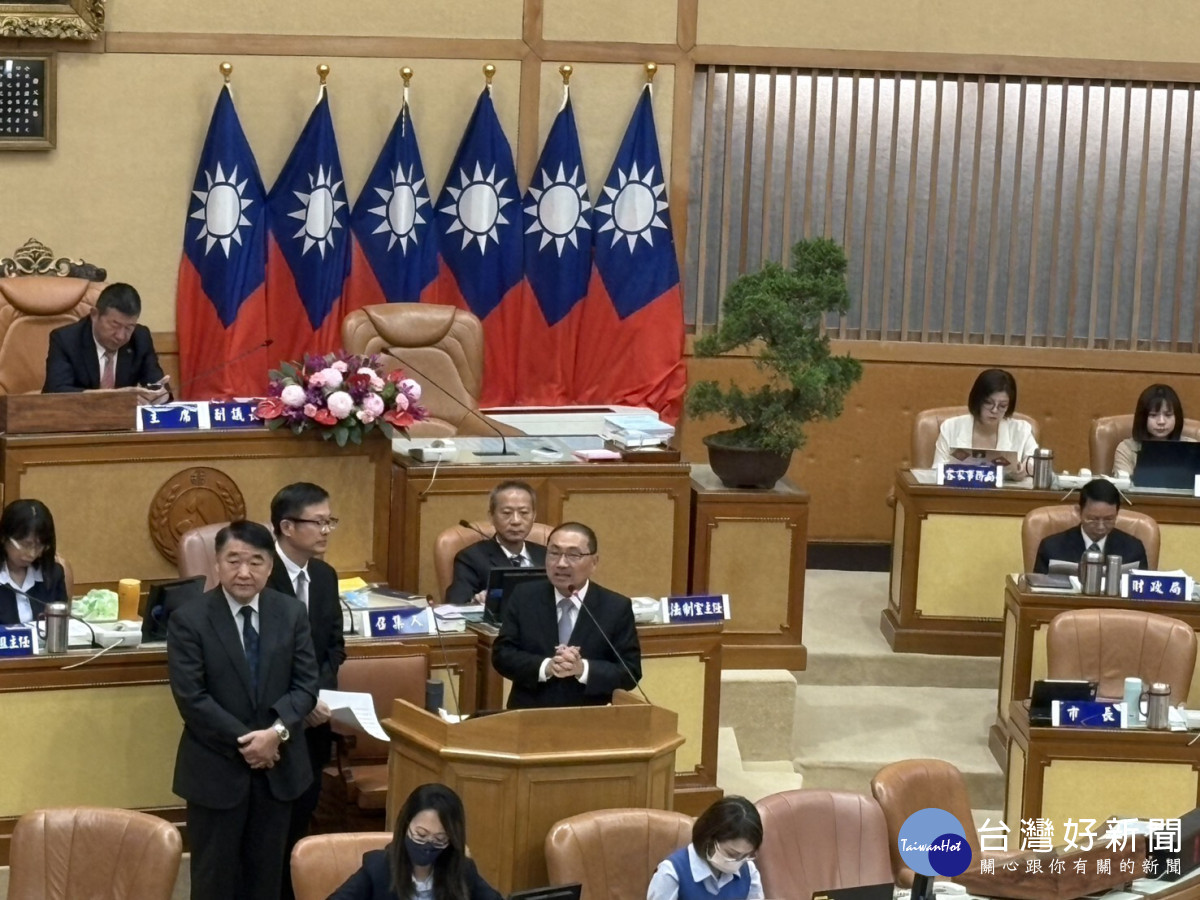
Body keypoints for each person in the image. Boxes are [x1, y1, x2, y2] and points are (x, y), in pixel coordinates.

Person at [167, 520, 318, 900]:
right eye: (233, 561)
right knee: (213, 881)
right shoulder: (189, 619)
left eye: (255, 561)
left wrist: (275, 735)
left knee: (267, 880)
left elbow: (306, 686)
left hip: (279, 770)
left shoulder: (291, 613)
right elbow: (192, 698)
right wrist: (252, 743)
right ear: (217, 564)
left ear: (270, 566)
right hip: (215, 769)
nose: (244, 572)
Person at [267, 483, 346, 900]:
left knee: (304, 812)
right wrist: (303, 700)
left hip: (315, 722)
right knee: (272, 829)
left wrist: (318, 694)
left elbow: (335, 646)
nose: (326, 530)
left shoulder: (325, 576)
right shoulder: (262, 576)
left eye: (330, 521)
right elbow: (265, 657)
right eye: (318, 522)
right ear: (287, 527)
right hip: (274, 719)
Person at [491, 522, 641, 709]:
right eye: (554, 553)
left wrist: (582, 668)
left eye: (573, 555)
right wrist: (546, 666)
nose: (561, 563)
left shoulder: (615, 607)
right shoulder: (524, 596)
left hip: (589, 716)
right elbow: (502, 655)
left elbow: (630, 672)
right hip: (529, 714)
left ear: (594, 562)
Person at [328, 782, 503, 900]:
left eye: (440, 839)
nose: (428, 845)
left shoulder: (463, 870)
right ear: (406, 825)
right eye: (421, 835)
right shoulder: (378, 868)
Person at [42, 282, 170, 399]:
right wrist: (117, 397)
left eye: (129, 327)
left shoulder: (140, 338)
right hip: (76, 415)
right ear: (94, 315)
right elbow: (56, 392)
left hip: (124, 417)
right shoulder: (66, 339)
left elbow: (157, 386)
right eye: (114, 325)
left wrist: (160, 397)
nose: (121, 336)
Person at [445, 480, 547, 604]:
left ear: (534, 516)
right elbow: (457, 603)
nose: (516, 521)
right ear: (491, 517)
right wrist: (475, 602)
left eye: (524, 513)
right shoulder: (471, 558)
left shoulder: (546, 555)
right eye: (507, 513)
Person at [647, 795, 765, 900]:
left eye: (746, 855)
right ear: (709, 838)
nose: (738, 862)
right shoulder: (672, 873)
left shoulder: (748, 871)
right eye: (731, 854)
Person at [932, 368, 1038, 476]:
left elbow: (1036, 462)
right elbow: (936, 471)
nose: (994, 410)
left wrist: (1025, 469)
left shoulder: (1021, 430)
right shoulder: (951, 427)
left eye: (1002, 406)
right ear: (977, 400)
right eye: (988, 402)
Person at [1033, 478, 1149, 575]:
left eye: (1108, 519)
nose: (1101, 527)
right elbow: (1037, 590)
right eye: (1093, 519)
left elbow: (1142, 591)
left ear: (1117, 513)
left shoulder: (1134, 550)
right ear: (1079, 511)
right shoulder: (1052, 548)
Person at [0, 499, 67, 626]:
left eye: (39, 546)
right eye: (25, 545)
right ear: (4, 538)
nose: (32, 554)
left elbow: (60, 625)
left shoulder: (53, 574)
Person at [1113, 383, 1193, 476]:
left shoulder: (1193, 448)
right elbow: (1123, 484)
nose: (1161, 421)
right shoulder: (1126, 449)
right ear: (1142, 418)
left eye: (1168, 415)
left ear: (1177, 417)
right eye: (1153, 415)